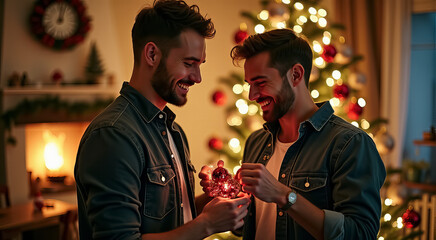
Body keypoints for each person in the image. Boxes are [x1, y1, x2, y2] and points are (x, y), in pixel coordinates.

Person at [74, 1, 250, 239]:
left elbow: (172, 220)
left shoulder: (172, 130)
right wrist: (206, 225)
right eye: (189, 63)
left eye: (200, 65)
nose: (197, 78)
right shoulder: (113, 135)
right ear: (152, 54)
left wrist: (207, 205)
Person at [229, 29, 385, 239]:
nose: (252, 95)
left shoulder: (350, 144)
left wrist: (283, 196)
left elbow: (361, 234)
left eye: (261, 83)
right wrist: (225, 194)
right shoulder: (256, 142)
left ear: (296, 74)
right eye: (249, 84)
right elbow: (245, 227)